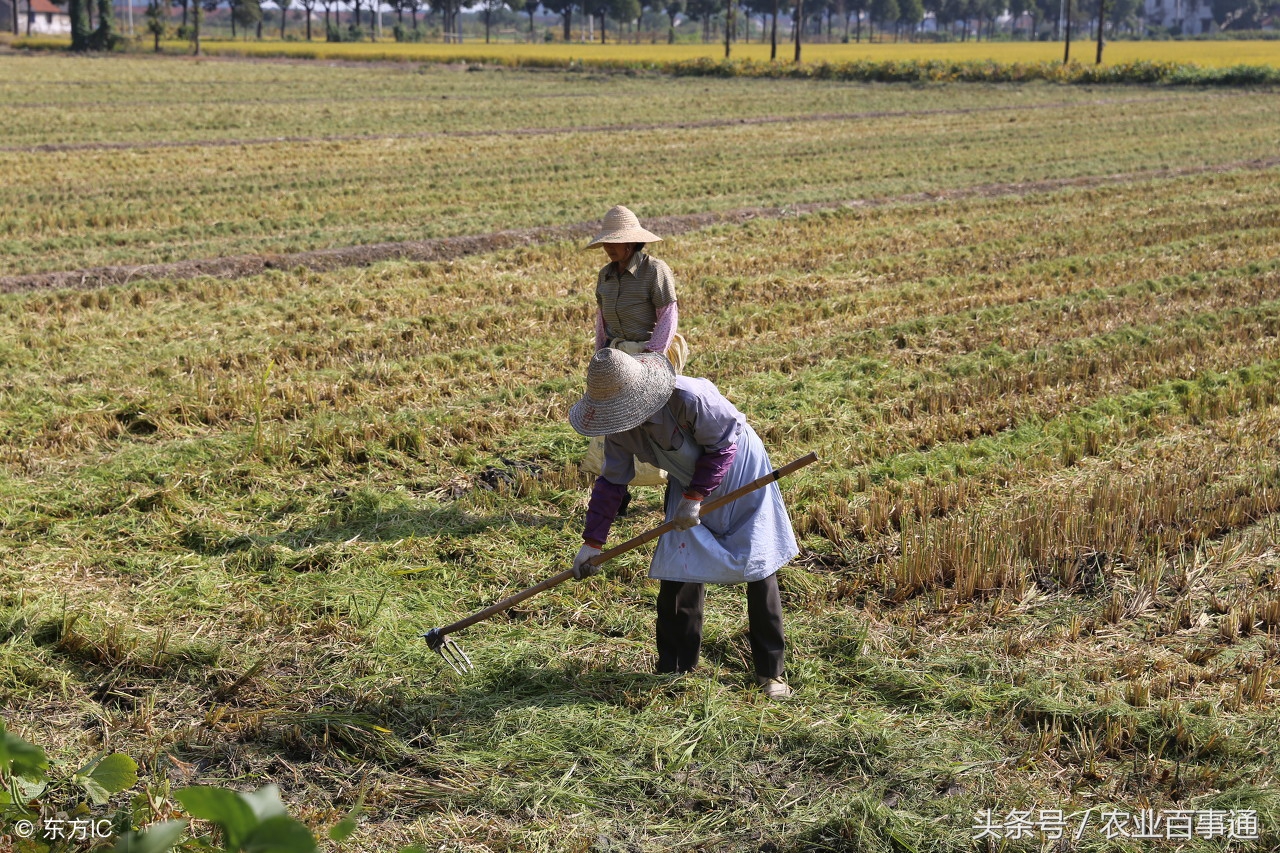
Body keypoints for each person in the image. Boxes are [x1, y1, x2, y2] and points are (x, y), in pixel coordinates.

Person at [568, 348, 799, 700]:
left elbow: (723, 448)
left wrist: (694, 498)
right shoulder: (616, 427)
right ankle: (675, 667)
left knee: (756, 563)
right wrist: (592, 542)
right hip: (686, 476)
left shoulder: (691, 397)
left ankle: (771, 672)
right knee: (679, 565)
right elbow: (612, 483)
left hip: (739, 469)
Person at [580, 206, 689, 494]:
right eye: (606, 242)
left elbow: (668, 314)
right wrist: (600, 355)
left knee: (659, 423)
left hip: (648, 354)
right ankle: (619, 491)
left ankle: (676, 481)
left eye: (614, 243)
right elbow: (601, 320)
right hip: (617, 358)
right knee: (615, 425)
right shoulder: (605, 276)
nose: (608, 248)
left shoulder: (654, 270)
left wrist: (652, 358)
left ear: (630, 242)